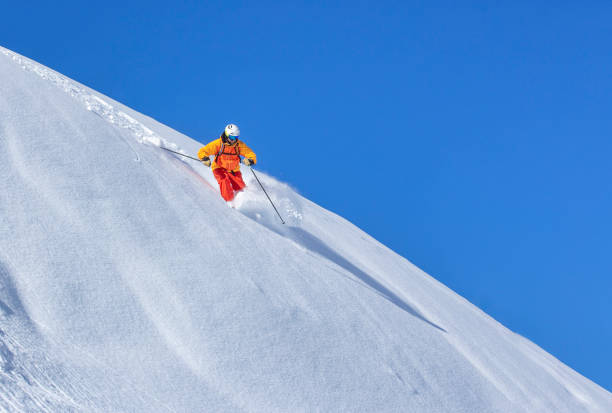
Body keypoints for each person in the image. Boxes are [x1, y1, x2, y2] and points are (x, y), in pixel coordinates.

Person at [198, 124, 257, 202]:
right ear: (226, 135)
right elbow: (203, 151)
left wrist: (250, 160)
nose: (233, 140)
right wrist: (205, 158)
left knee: (241, 189)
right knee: (224, 180)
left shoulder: (239, 145)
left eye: (236, 138)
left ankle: (243, 203)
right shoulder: (218, 144)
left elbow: (250, 153)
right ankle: (229, 202)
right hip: (219, 168)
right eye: (232, 137)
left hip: (234, 170)